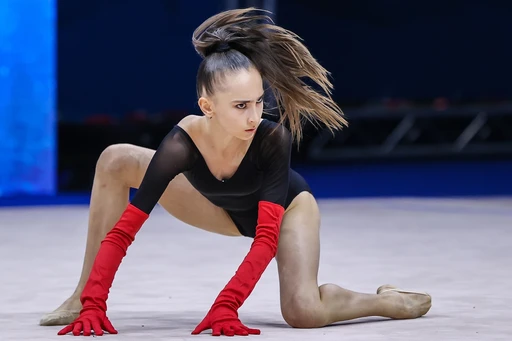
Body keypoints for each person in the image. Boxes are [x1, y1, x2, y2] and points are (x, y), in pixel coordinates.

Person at [42, 8, 432, 337]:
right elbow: (127, 228)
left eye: (259, 102)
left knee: (303, 312)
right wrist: (97, 301)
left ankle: (386, 300)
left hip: (284, 213)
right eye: (241, 106)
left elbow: (264, 240)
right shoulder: (182, 142)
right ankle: (81, 296)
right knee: (115, 158)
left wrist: (226, 305)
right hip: (215, 204)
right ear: (207, 106)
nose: (254, 116)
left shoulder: (271, 138)